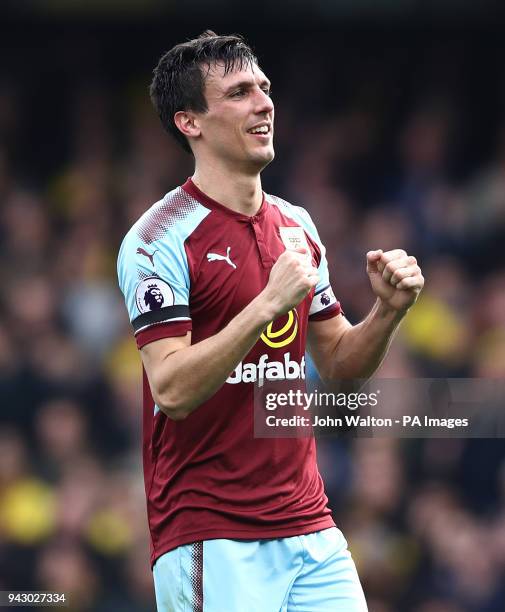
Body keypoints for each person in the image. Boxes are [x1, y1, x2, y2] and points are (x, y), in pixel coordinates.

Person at [117, 31, 424, 612]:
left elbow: (338, 368)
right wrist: (264, 306)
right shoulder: (157, 241)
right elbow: (172, 389)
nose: (264, 103)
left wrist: (386, 312)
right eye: (238, 92)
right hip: (213, 534)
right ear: (190, 122)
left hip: (311, 527)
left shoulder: (297, 226)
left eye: (263, 87)